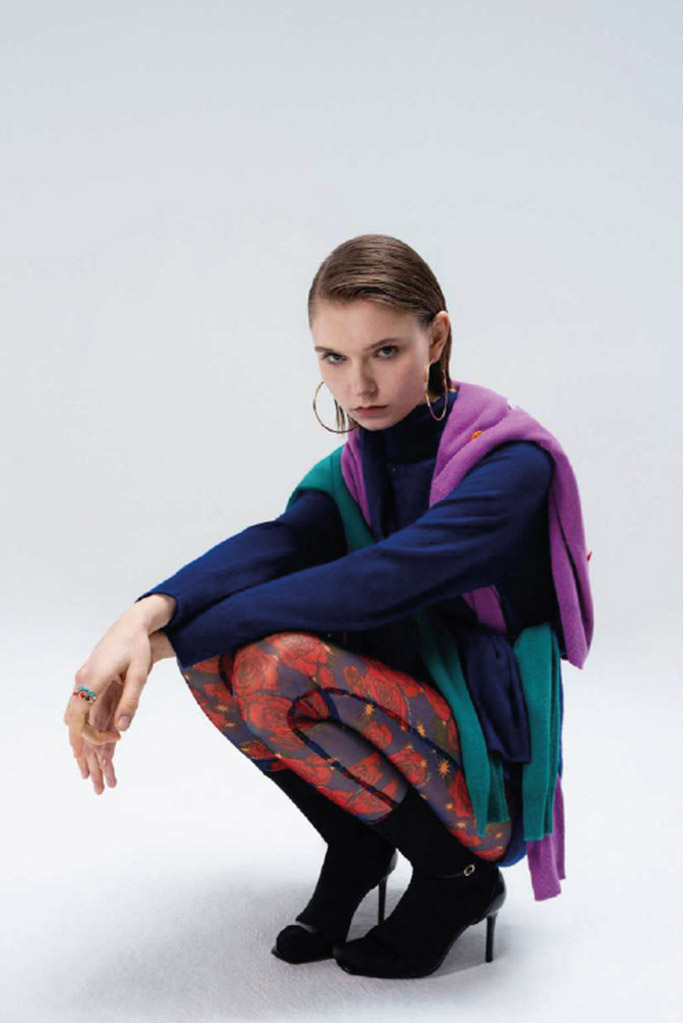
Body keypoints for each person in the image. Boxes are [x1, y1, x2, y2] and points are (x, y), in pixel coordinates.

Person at [63, 233, 593, 980]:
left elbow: (380, 580)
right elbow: (278, 544)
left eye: (385, 352)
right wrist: (141, 617)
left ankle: (456, 874)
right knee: (218, 654)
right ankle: (357, 843)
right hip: (405, 716)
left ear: (437, 338)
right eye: (333, 357)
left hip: (485, 752)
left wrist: (158, 643)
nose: (358, 386)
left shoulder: (509, 467)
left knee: (276, 662)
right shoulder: (354, 467)